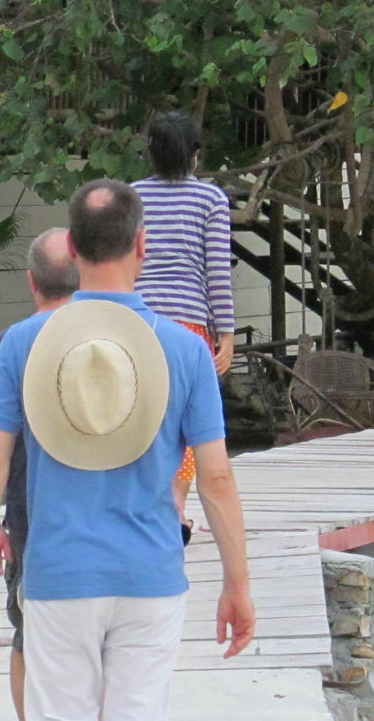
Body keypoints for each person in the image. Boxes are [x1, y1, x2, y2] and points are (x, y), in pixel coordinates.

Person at [0, 179, 255, 721]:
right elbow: (215, 479)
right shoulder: (187, 350)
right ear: (142, 244)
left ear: (72, 247)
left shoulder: (23, 344)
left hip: (58, 571)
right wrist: (237, 583)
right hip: (150, 573)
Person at [0, 227, 78, 721]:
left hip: (33, 521)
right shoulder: (119, 337)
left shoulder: (9, 345)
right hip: (121, 523)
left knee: (30, 638)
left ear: (32, 281)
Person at [135, 111, 234, 529]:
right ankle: (175, 505)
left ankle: (147, 503)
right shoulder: (210, 199)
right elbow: (217, 272)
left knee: (142, 413)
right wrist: (225, 333)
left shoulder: (131, 195)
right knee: (188, 417)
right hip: (190, 324)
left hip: (136, 322)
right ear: (196, 155)